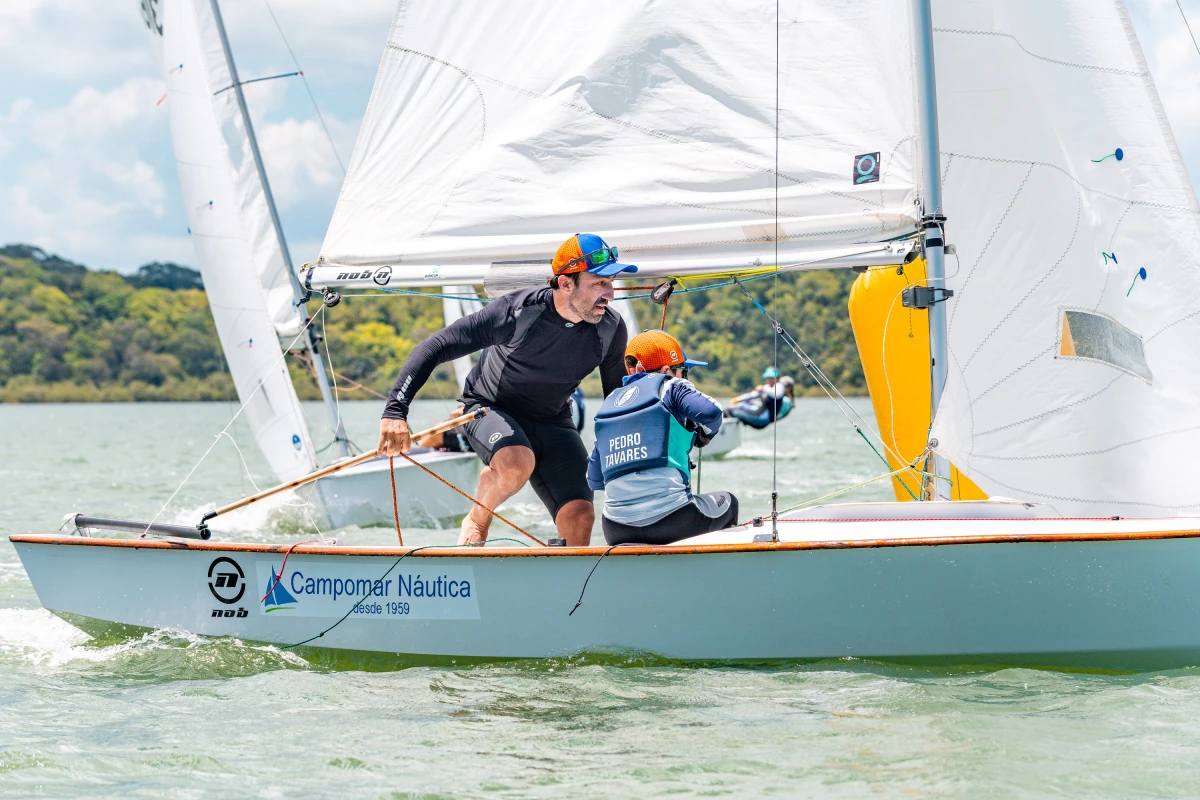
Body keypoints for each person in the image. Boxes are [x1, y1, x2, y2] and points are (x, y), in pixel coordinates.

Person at [376, 233, 635, 546]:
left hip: (553, 418)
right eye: (599, 283)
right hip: (489, 407)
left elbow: (616, 398)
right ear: (566, 283)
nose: (610, 293)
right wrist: (395, 412)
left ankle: (565, 575)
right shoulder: (517, 313)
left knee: (580, 516)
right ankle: (477, 519)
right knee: (515, 464)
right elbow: (434, 347)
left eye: (611, 283)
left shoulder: (610, 329)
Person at [587, 330, 739, 545]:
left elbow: (594, 479)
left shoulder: (609, 403)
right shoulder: (670, 385)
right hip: (674, 521)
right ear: (667, 370)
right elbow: (712, 413)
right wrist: (704, 434)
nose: (683, 377)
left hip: (615, 529)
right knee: (729, 502)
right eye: (683, 371)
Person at [726, 366, 793, 429]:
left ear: (777, 378)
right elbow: (751, 395)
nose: (769, 380)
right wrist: (737, 399)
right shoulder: (767, 388)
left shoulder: (779, 386)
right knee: (735, 408)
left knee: (730, 411)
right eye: (768, 378)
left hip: (762, 419)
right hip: (760, 416)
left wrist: (763, 388)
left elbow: (777, 394)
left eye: (772, 378)